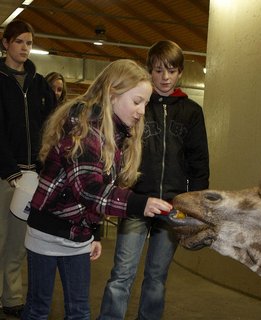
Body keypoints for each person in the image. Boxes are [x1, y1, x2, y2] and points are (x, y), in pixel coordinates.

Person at [21, 58, 173, 320]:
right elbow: (89, 190)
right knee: (38, 307)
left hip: (78, 236)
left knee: (79, 310)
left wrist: (94, 234)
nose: (141, 111)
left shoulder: (114, 135)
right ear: (112, 93)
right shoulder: (83, 131)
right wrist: (140, 204)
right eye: (137, 101)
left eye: (146, 104)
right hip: (46, 232)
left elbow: (102, 189)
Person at [99, 40, 210, 320]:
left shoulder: (191, 112)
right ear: (150, 71)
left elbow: (199, 162)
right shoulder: (139, 106)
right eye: (159, 70)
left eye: (171, 71)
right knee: (122, 272)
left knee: (157, 276)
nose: (165, 77)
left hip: (173, 206)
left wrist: (196, 205)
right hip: (136, 200)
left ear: (180, 73)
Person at [0, 20, 57, 319]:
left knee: (18, 241)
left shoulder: (40, 84)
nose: (24, 47)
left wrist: (42, 168)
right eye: (19, 41)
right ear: (6, 43)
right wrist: (10, 171)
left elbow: (52, 127)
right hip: (2, 175)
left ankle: (11, 297)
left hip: (32, 177)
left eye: (29, 42)